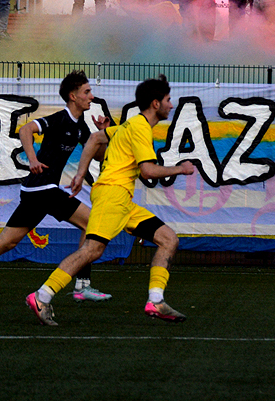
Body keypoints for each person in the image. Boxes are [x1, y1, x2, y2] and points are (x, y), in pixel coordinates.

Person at [26, 74, 195, 326]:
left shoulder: (131, 124)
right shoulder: (139, 128)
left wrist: (81, 173)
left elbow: (95, 138)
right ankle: (42, 295)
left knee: (168, 239)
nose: (172, 105)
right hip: (111, 196)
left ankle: (156, 300)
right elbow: (148, 171)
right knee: (92, 249)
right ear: (155, 104)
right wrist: (180, 169)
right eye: (168, 100)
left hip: (122, 200)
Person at [0, 71, 113, 306]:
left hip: (37, 191)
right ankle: (82, 285)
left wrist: (102, 133)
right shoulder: (59, 119)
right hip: (44, 188)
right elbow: (25, 130)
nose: (91, 97)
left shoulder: (80, 127)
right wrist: (32, 160)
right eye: (87, 92)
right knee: (93, 222)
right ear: (73, 96)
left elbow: (101, 155)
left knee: (8, 241)